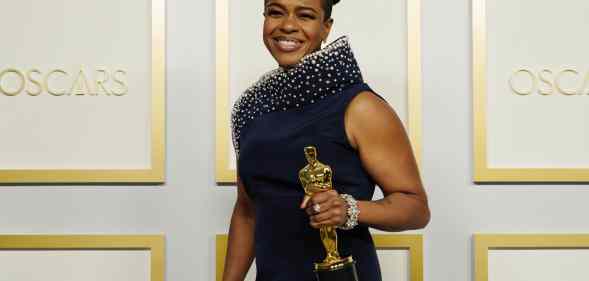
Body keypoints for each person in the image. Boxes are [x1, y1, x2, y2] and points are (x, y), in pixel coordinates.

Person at [223, 0, 430, 280]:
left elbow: (416, 208)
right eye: (275, 12)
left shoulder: (361, 107)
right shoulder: (250, 110)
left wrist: (350, 209)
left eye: (305, 15)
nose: (287, 25)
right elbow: (247, 212)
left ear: (326, 28)